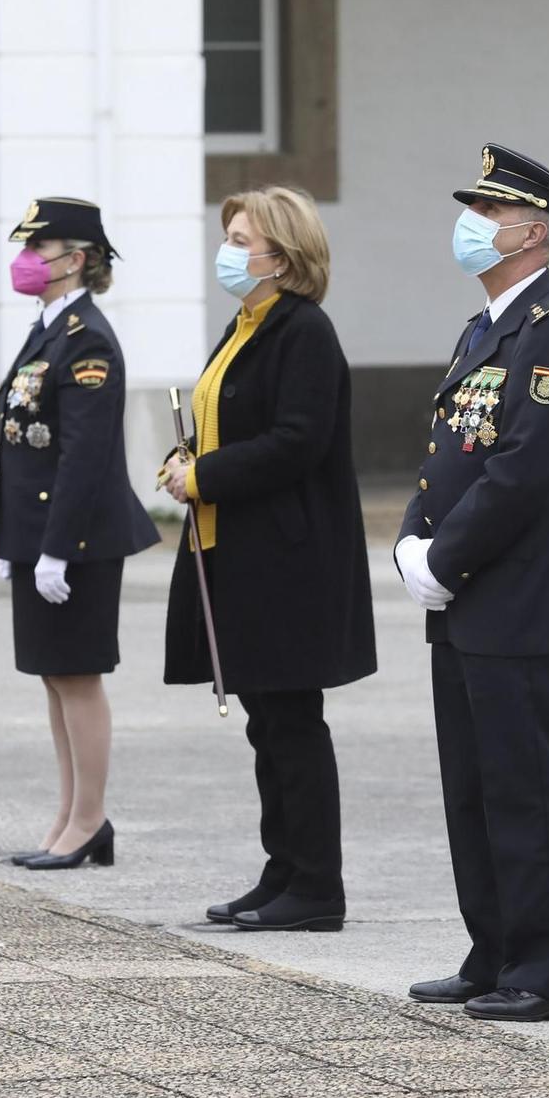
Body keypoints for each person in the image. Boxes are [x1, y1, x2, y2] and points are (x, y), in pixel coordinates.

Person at [395, 144, 549, 1023]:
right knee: (474, 785)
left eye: (488, 216)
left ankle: (543, 968)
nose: (473, 228)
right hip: (466, 598)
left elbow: (523, 472)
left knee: (525, 787)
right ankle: (490, 947)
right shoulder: (486, 324)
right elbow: (454, 452)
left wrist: (442, 558)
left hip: (518, 596)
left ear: (532, 233)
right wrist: (414, 542)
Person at [162, 185, 376, 933]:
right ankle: (282, 867)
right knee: (266, 722)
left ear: (281, 255)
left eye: (242, 237)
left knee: (292, 721)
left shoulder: (302, 331)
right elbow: (230, 422)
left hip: (289, 559)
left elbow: (297, 440)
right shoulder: (247, 323)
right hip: (240, 552)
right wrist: (184, 458)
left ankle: (317, 883)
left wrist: (208, 476)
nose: (229, 248)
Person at [0, 197, 158, 870]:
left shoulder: (86, 336)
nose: (27, 260)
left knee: (78, 677)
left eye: (42, 247)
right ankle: (70, 811)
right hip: (37, 535)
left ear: (77, 258)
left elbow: (83, 455)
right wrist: (13, 541)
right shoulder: (49, 328)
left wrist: (56, 546)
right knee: (54, 677)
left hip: (78, 539)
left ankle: (89, 818)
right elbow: (21, 445)